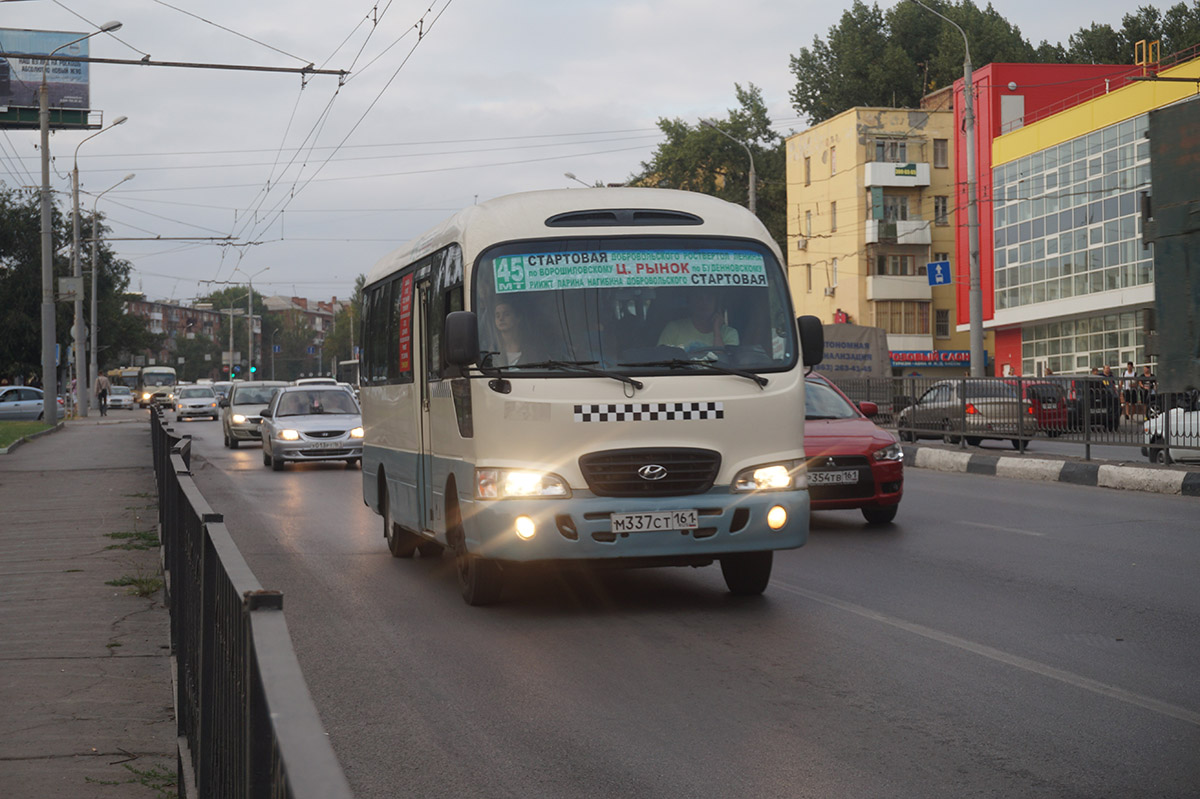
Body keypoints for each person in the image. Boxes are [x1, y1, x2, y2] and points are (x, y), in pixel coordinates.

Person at [657, 290, 739, 355]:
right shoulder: (673, 329)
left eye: (709, 298)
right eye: (698, 297)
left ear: (716, 304)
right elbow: (662, 359)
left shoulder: (730, 333)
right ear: (689, 302)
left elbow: (723, 363)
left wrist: (717, 331)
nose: (704, 302)